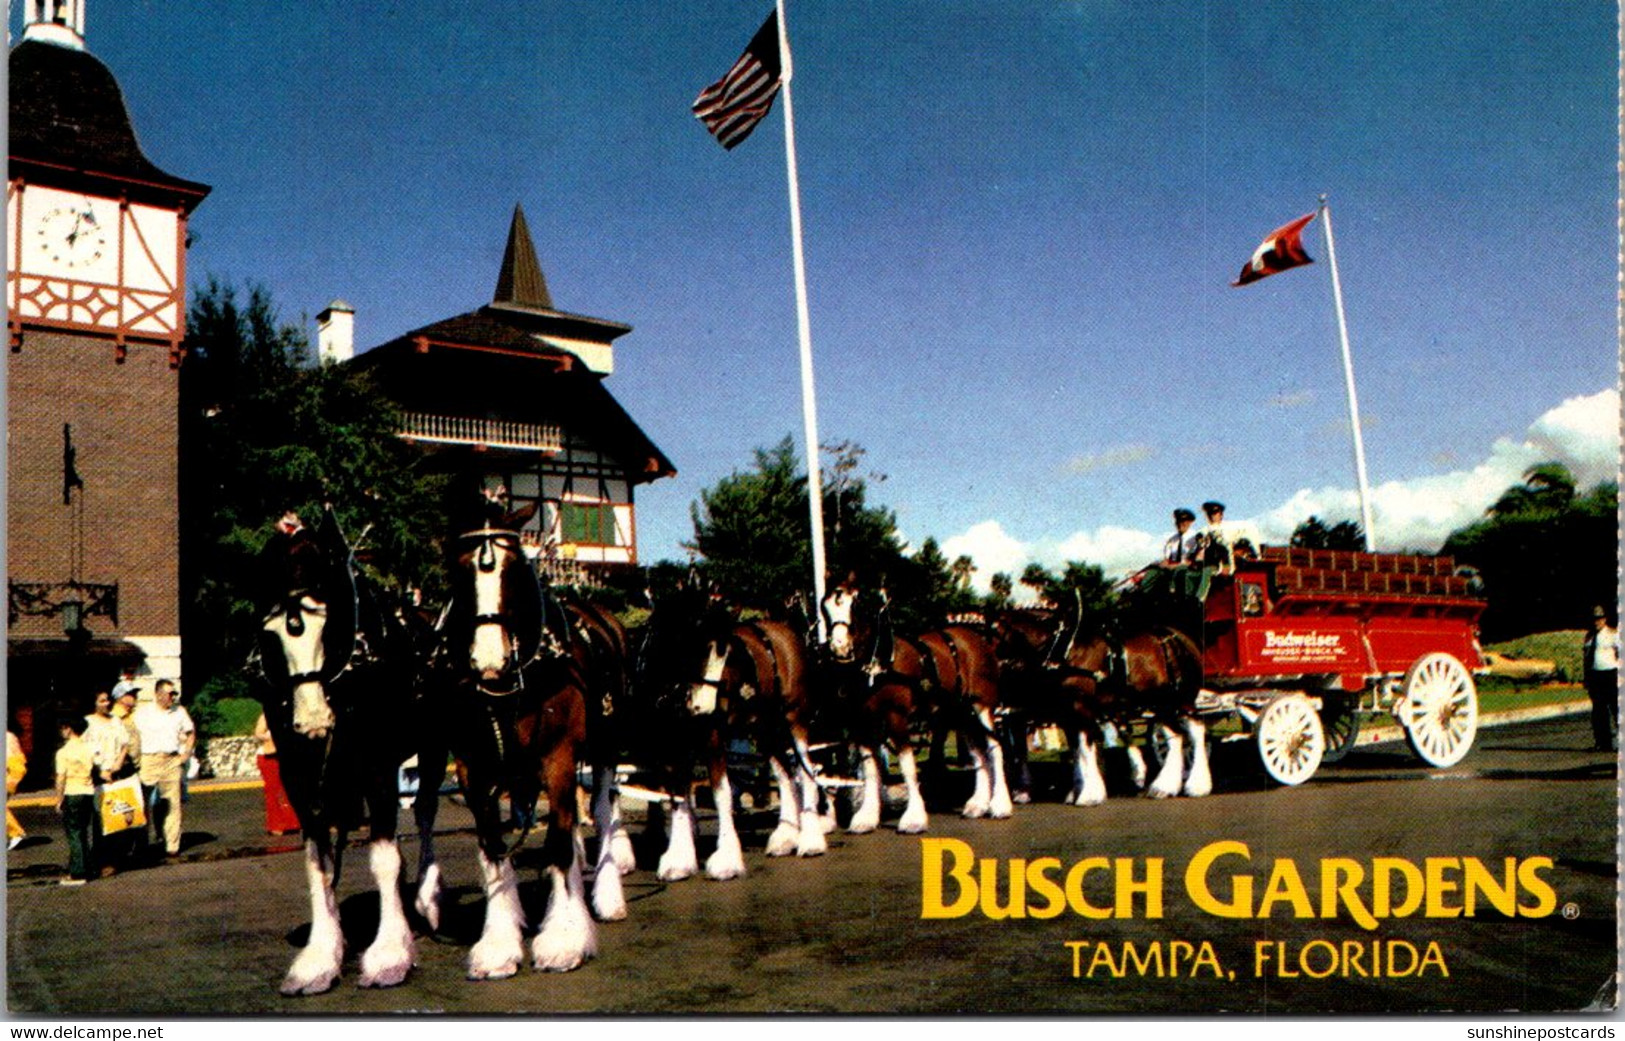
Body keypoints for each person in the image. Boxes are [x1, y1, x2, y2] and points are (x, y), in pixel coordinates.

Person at [133, 680, 195, 857]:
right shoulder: (143, 713)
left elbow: (190, 732)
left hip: (171, 760)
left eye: (174, 694)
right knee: (142, 803)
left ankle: (172, 846)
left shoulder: (179, 712)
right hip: (149, 759)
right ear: (158, 694)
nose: (173, 697)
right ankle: (141, 844)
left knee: (173, 804)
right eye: (170, 694)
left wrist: (185, 755)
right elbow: (134, 735)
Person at [53, 715, 95, 885]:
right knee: (83, 831)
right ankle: (86, 866)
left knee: (74, 833)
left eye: (62, 728)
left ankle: (78, 872)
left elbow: (61, 778)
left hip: (72, 792)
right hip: (88, 791)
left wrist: (58, 799)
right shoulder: (88, 748)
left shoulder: (63, 752)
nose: (61, 732)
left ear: (68, 728)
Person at [253, 712, 300, 836]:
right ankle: (276, 824)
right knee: (273, 791)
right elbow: (258, 733)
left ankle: (292, 823)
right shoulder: (266, 715)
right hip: (269, 756)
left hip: (285, 755)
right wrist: (273, 735)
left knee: (288, 790)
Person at [1582, 606, 1618, 752]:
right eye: (1594, 619)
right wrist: (1586, 677)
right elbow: (1586, 657)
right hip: (1595, 676)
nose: (1597, 622)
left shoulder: (1613, 634)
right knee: (1598, 711)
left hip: (1611, 674)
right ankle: (1603, 743)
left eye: (1599, 619)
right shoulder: (1589, 636)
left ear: (1605, 619)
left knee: (1616, 709)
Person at [7, 728, 28, 851]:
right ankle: (15, 833)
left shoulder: (7, 736)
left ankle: (16, 832)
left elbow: (12, 760)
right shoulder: (10, 735)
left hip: (11, 771)